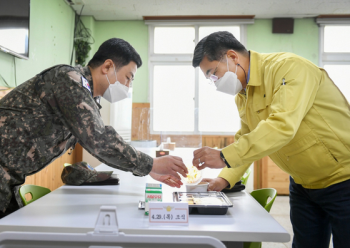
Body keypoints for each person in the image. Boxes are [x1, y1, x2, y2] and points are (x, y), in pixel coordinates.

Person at [191, 31, 350, 248]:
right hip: (303, 183)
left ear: (233, 57)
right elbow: (247, 139)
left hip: (343, 180)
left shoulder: (289, 68)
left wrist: (223, 155)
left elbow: (281, 126)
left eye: (213, 73)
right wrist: (224, 179)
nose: (215, 82)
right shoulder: (243, 95)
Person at [0, 38, 188, 218]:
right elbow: (99, 139)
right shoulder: (68, 80)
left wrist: (146, 169)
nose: (128, 86)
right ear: (107, 67)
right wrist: (151, 164)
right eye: (128, 78)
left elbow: (100, 140)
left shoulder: (86, 94)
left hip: (9, 177)